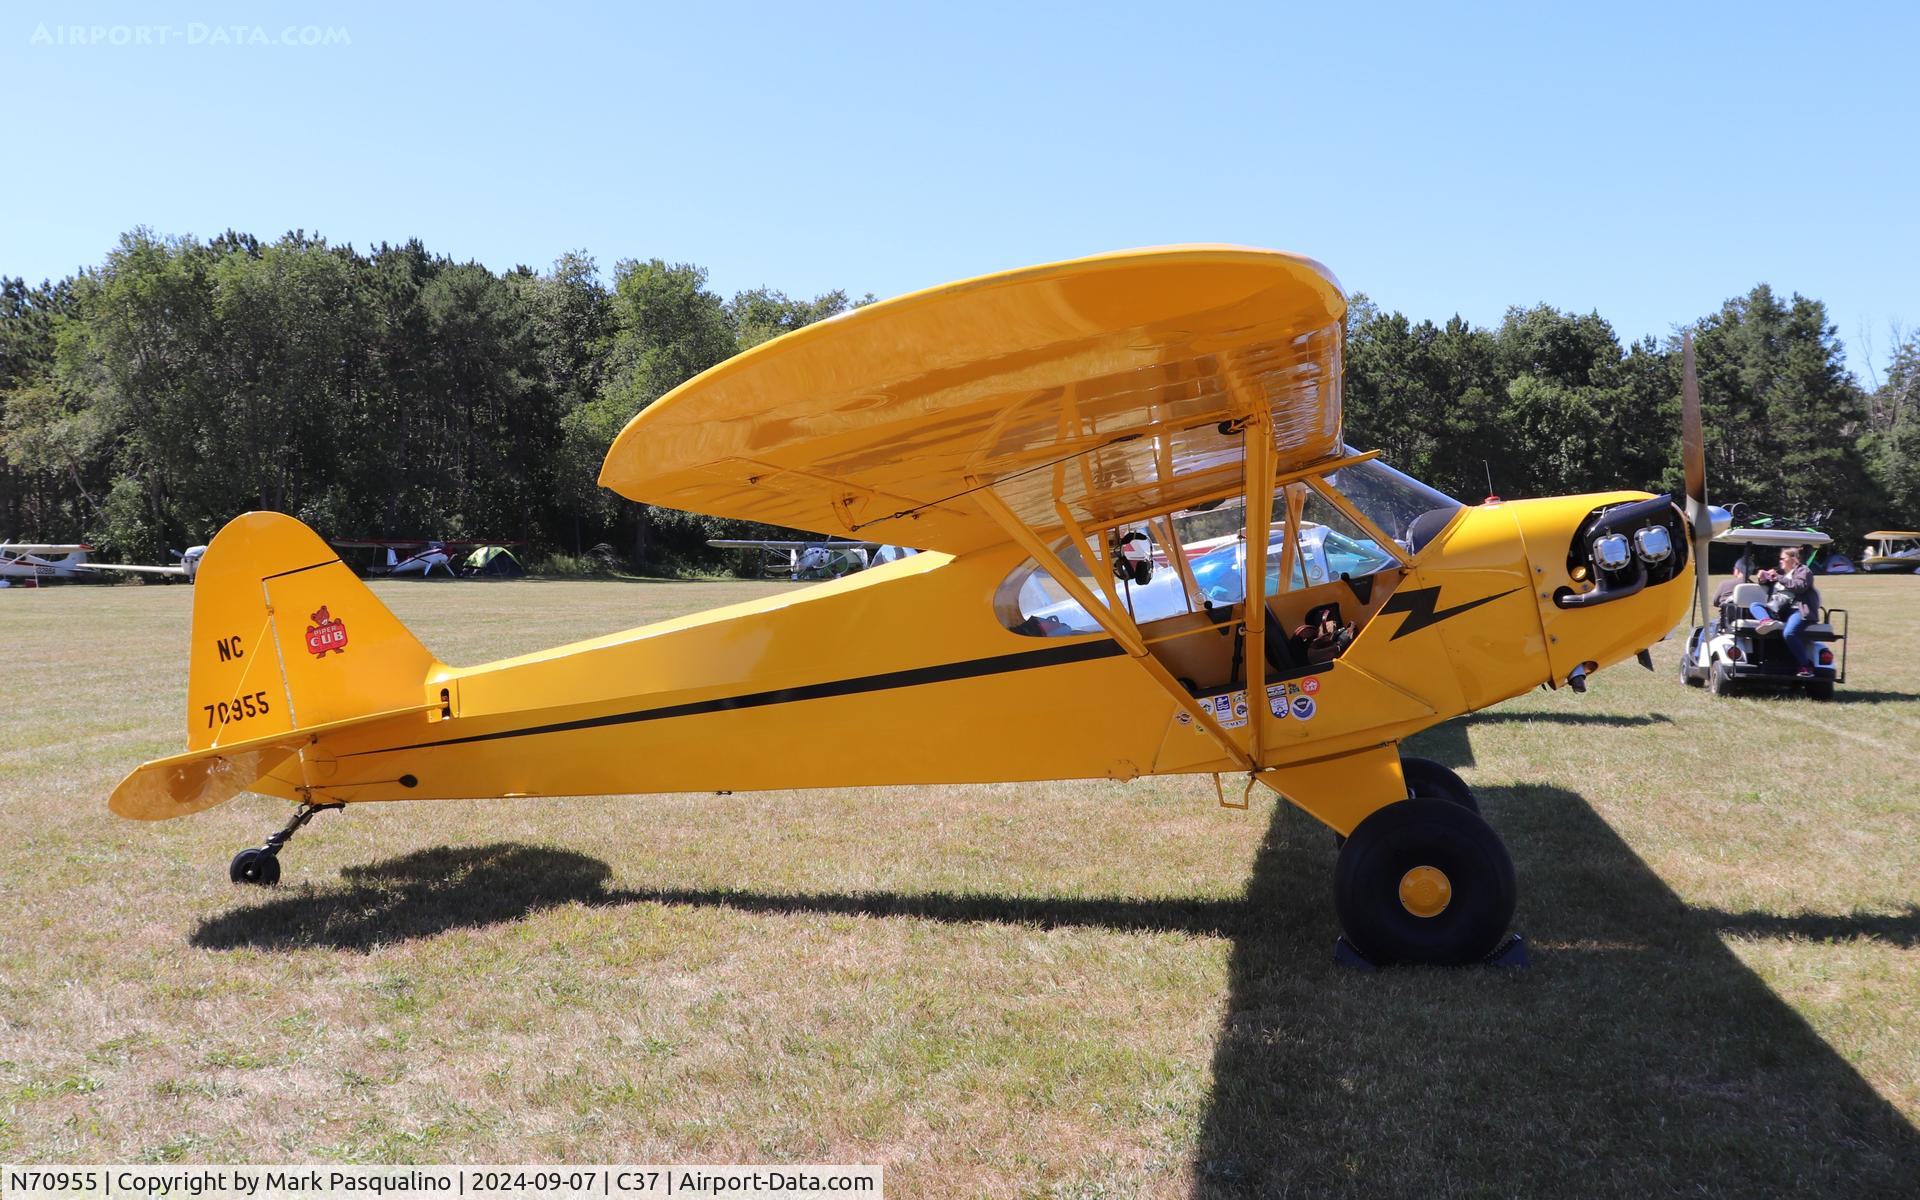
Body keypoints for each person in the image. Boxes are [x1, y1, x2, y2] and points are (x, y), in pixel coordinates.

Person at [1748, 545, 1820, 677]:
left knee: (1790, 633)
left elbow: (1800, 587)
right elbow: (1770, 588)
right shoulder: (1781, 573)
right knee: (1755, 605)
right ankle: (1767, 622)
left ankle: (1805, 666)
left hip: (1797, 610)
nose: (1780, 561)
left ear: (1794, 559)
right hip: (1779, 610)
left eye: (1783, 558)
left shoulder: (1804, 571)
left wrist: (1778, 577)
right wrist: (1762, 579)